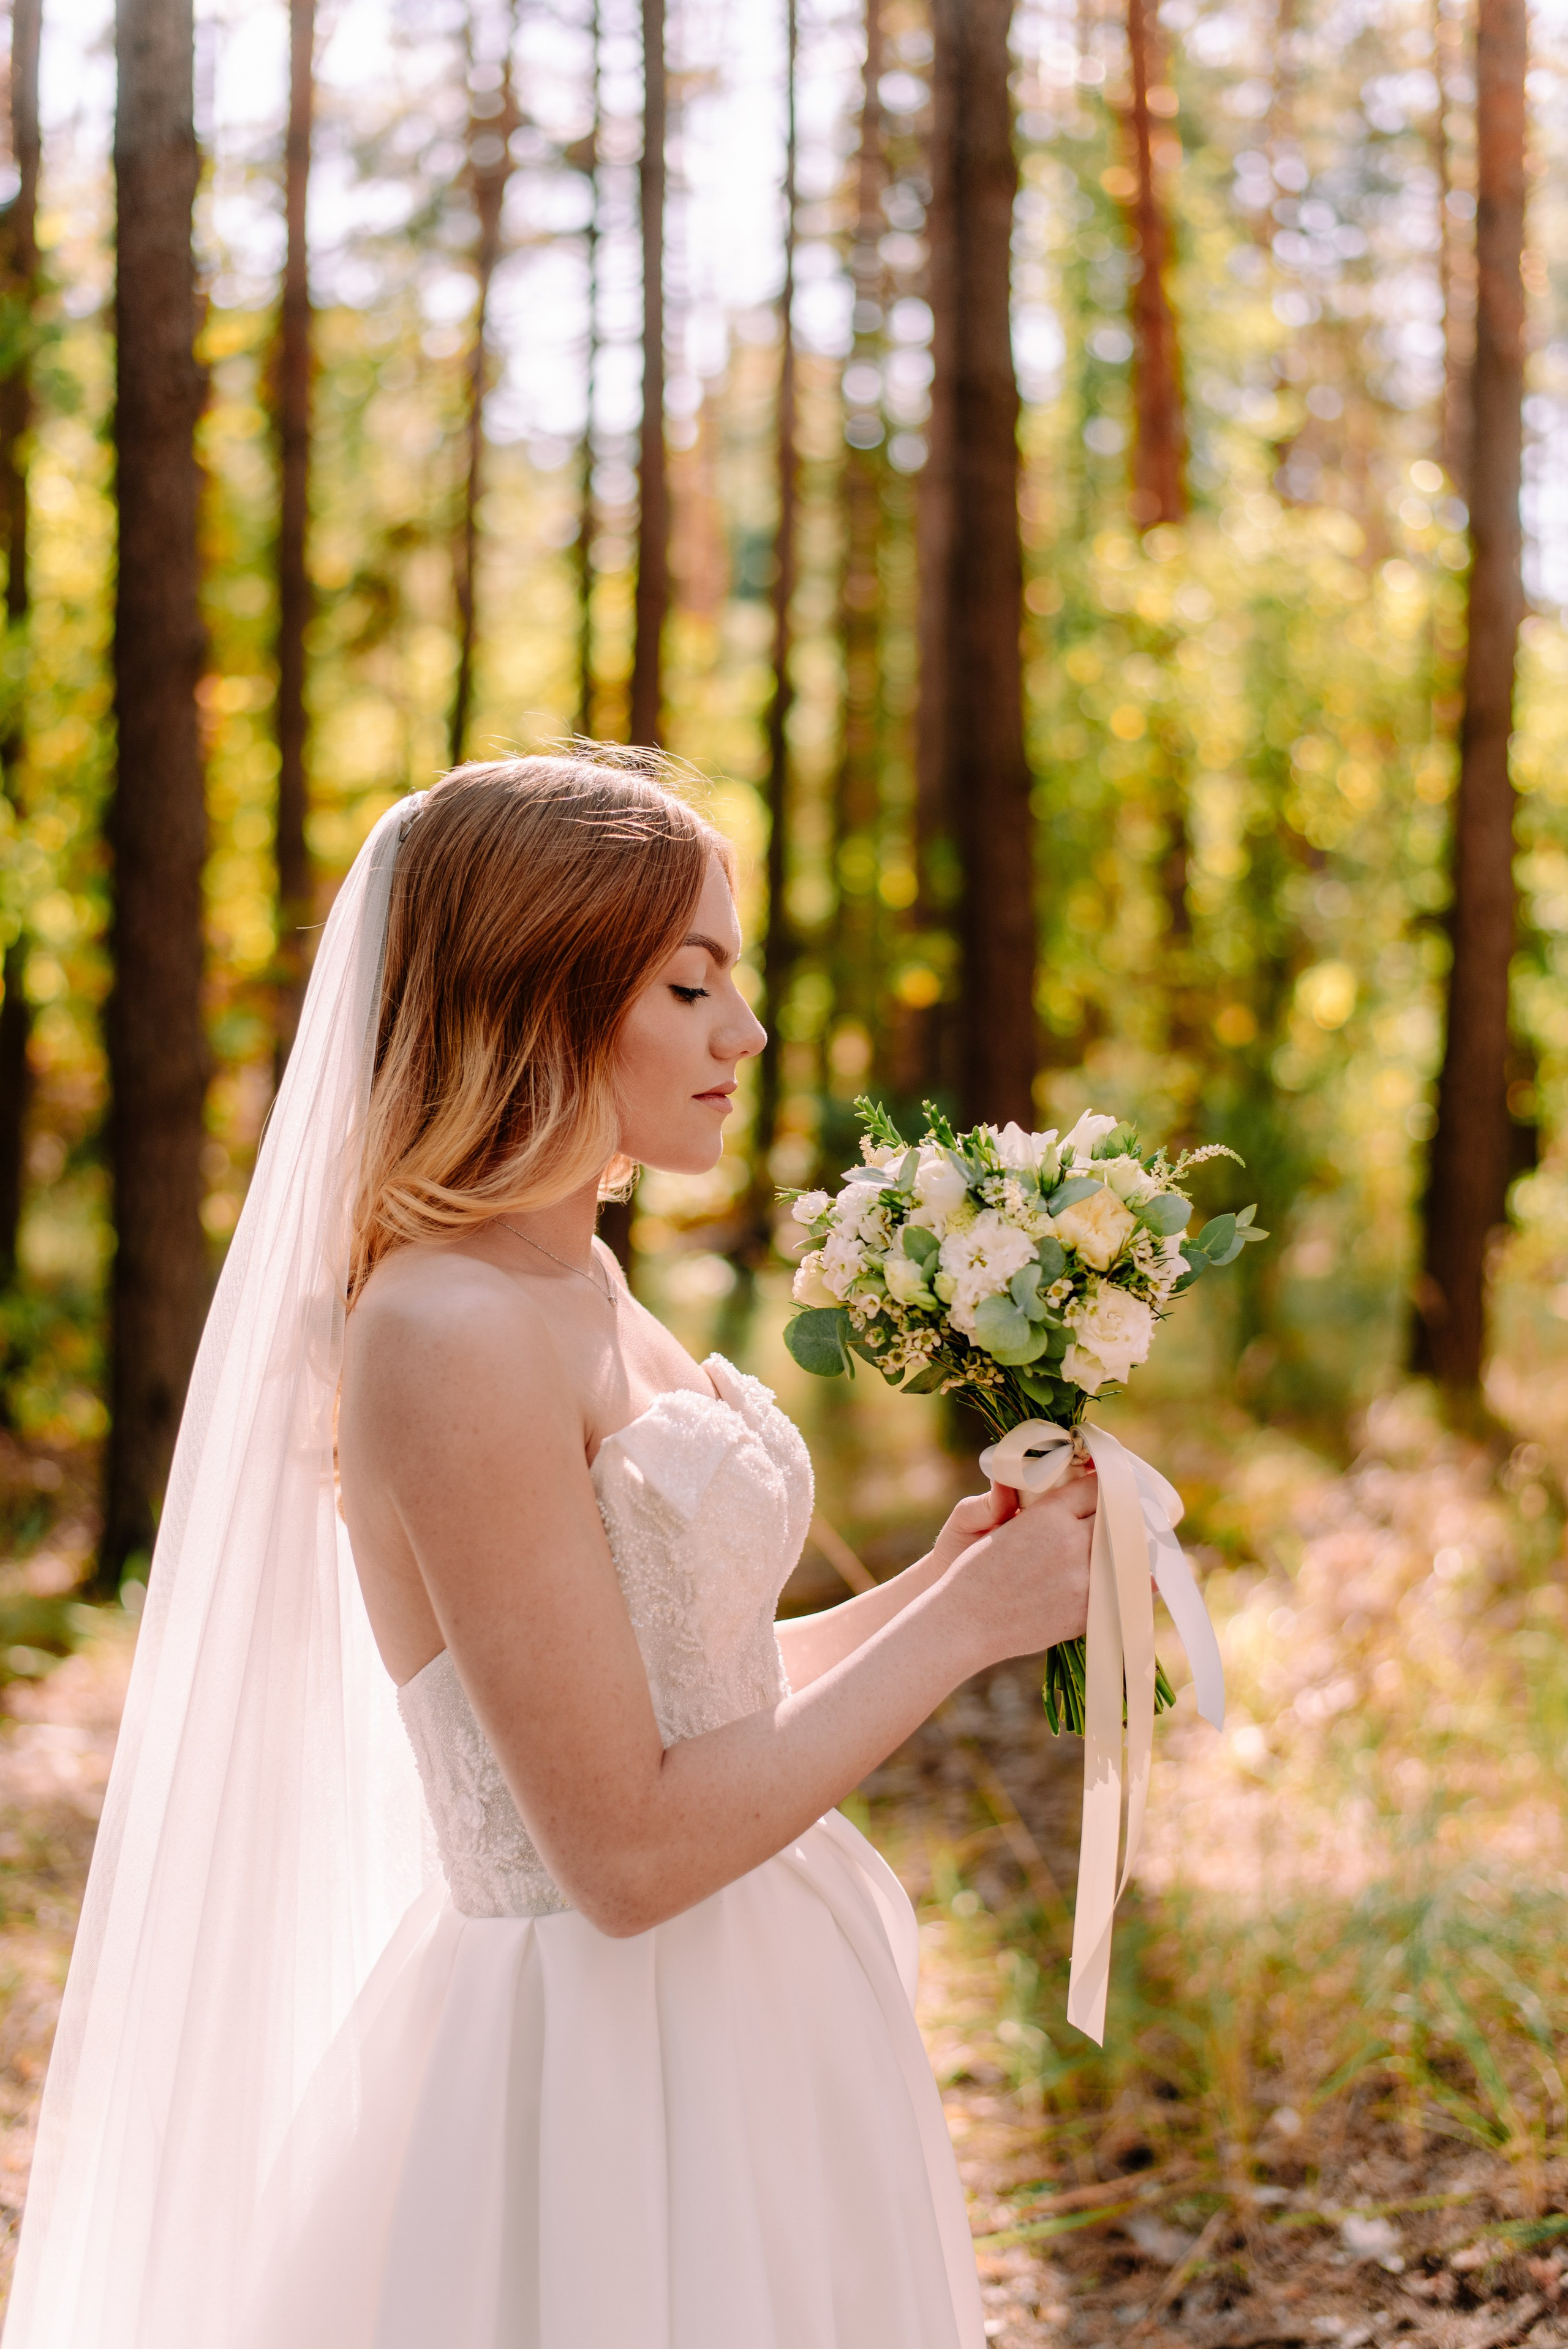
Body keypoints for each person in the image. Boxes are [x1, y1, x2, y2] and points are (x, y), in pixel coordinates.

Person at [6, 755, 1091, 2349]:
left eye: (737, 982)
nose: (747, 1032)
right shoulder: (446, 1329)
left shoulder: (575, 1279)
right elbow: (621, 1850)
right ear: (546, 995)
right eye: (690, 982)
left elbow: (683, 1701)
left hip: (748, 2012)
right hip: (596, 2074)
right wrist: (957, 1635)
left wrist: (949, 1579)